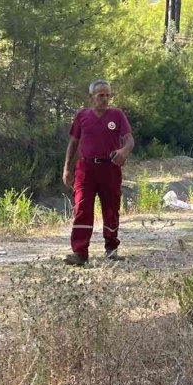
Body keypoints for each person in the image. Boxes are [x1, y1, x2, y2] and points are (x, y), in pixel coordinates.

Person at [62, 79, 134, 265]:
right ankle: (80, 253)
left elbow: (129, 140)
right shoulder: (82, 116)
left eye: (107, 95)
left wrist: (122, 151)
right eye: (101, 95)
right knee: (82, 208)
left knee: (111, 209)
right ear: (92, 97)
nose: (104, 99)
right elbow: (73, 143)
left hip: (110, 168)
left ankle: (111, 249)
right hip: (86, 169)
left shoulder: (117, 115)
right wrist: (67, 168)